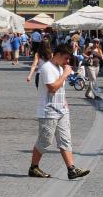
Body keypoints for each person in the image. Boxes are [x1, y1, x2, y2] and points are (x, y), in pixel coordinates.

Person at [27, 45, 90, 180]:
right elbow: (52, 88)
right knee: (45, 141)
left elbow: (60, 89)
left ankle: (71, 169)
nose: (67, 61)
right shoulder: (47, 68)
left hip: (61, 110)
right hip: (48, 111)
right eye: (66, 58)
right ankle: (33, 167)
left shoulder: (60, 68)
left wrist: (65, 102)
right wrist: (65, 74)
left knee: (65, 140)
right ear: (59, 54)